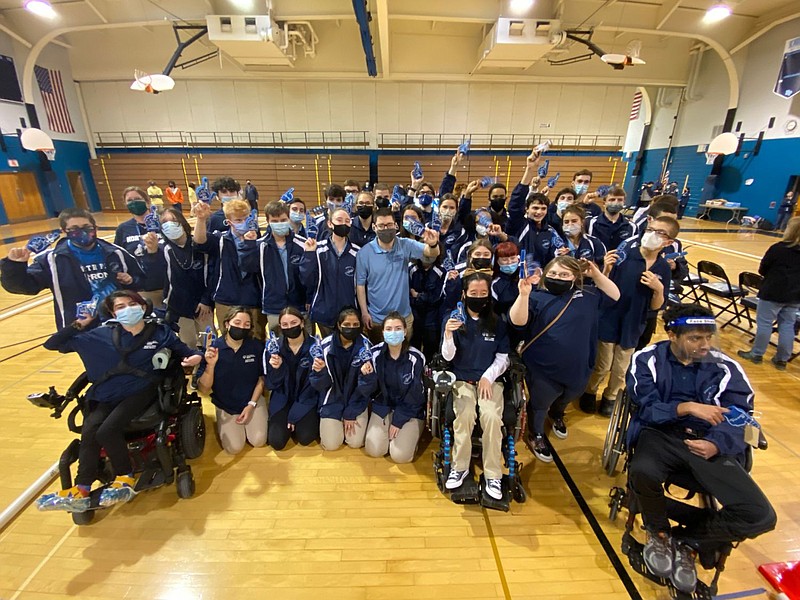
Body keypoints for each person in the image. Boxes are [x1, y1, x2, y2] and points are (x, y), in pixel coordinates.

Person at [626, 304, 776, 595]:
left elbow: (742, 415)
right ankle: (658, 531)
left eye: (708, 337)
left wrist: (716, 443)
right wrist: (686, 407)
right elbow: (645, 407)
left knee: (761, 515)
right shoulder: (647, 359)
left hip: (709, 442)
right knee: (642, 471)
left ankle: (689, 540)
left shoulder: (726, 368)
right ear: (672, 334)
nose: (705, 345)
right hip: (662, 435)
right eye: (695, 338)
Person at [36, 291, 202, 512]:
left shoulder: (160, 333)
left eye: (132, 304)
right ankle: (82, 487)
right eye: (120, 307)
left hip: (140, 390)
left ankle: (125, 477)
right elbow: (52, 344)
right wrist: (78, 324)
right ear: (113, 313)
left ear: (143, 307)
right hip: (104, 394)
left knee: (106, 431)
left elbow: (187, 352)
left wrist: (195, 357)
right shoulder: (99, 335)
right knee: (89, 431)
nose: (127, 309)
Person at [509, 256, 620, 462]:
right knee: (540, 404)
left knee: (570, 395)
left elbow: (615, 295)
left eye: (563, 274)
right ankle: (536, 434)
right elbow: (518, 322)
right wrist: (523, 296)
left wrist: (596, 273)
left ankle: (557, 413)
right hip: (543, 366)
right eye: (553, 273)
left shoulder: (588, 294)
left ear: (574, 277)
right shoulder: (536, 297)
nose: (557, 277)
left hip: (580, 365)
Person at [581, 216, 678, 416]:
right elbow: (604, 287)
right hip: (609, 317)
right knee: (602, 364)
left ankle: (610, 396)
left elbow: (657, 306)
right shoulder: (624, 256)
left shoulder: (662, 268)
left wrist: (658, 289)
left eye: (659, 232)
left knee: (621, 367)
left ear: (668, 242)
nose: (651, 234)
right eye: (650, 229)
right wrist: (606, 269)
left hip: (634, 323)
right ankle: (590, 391)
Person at [1, 208, 144, 330]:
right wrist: (14, 266)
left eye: (86, 227)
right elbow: (25, 286)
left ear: (95, 228)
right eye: (74, 229)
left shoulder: (116, 253)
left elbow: (142, 280)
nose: (82, 232)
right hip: (83, 328)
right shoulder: (52, 259)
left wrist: (131, 281)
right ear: (64, 231)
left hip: (121, 322)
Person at [442, 272, 510, 501]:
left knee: (491, 416)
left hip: (489, 382)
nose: (478, 297)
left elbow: (503, 358)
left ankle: (493, 474)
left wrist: (488, 377)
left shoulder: (497, 322)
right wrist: (448, 334)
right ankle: (459, 466)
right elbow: (447, 357)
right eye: (473, 293)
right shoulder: (453, 318)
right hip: (462, 379)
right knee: (465, 415)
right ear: (464, 294)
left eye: (483, 293)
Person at [356, 207, 440, 343]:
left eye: (389, 225)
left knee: (403, 356)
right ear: (374, 227)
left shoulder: (405, 245)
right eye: (381, 226)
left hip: (404, 318)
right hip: (377, 319)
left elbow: (431, 253)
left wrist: (433, 244)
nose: (386, 229)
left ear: (396, 225)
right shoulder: (364, 253)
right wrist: (364, 312)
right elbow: (360, 285)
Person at [197, 307, 267, 454]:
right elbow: (203, 389)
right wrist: (211, 365)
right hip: (226, 404)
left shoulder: (256, 347)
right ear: (227, 324)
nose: (241, 327)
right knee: (234, 448)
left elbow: (262, 378)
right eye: (237, 322)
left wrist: (251, 404)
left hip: (251, 400)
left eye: (246, 324)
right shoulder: (214, 349)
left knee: (259, 441)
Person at [358, 312, 426, 463]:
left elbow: (416, 395)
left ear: (405, 331)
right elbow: (366, 391)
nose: (393, 332)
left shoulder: (416, 358)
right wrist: (366, 377)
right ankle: (391, 433)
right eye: (389, 329)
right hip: (383, 406)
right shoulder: (374, 354)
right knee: (374, 450)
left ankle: (413, 433)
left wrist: (398, 420)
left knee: (400, 456)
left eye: (397, 328)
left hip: (409, 409)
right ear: (382, 332)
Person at [192, 199, 265, 339]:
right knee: (228, 340)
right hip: (226, 300)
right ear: (229, 222)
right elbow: (199, 241)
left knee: (257, 340)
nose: (243, 222)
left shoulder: (259, 242)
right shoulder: (220, 240)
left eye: (246, 218)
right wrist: (201, 219)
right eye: (238, 220)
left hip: (253, 300)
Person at [738, 217, 800, 370]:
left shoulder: (778, 248)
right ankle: (782, 359)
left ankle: (757, 353)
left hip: (773, 291)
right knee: (788, 325)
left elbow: (763, 269)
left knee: (765, 323)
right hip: (795, 295)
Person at [239, 201, 307, 335]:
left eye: (283, 220)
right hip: (274, 306)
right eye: (275, 221)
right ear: (268, 221)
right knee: (278, 345)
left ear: (289, 219)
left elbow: (310, 276)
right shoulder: (259, 246)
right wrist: (248, 245)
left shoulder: (302, 244)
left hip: (299, 304)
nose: (279, 223)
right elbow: (248, 267)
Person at [310, 307, 372, 451]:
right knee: (331, 445)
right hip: (332, 401)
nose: (351, 328)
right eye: (347, 325)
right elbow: (318, 385)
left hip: (356, 400)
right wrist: (320, 372)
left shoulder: (366, 347)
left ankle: (347, 419)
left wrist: (351, 411)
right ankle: (335, 421)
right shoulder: (323, 347)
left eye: (355, 325)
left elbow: (368, 387)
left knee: (355, 443)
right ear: (339, 325)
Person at [152, 207, 214, 348]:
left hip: (203, 306)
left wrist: (206, 300)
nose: (170, 224)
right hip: (179, 308)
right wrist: (151, 253)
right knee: (188, 344)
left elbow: (211, 275)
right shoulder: (163, 250)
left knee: (209, 342)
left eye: (173, 220)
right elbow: (153, 273)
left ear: (182, 222)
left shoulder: (199, 245)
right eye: (165, 222)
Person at [264, 307, 320, 449]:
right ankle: (287, 424)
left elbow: (315, 386)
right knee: (276, 442)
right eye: (285, 325)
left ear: (302, 323)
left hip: (306, 398)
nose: (290, 327)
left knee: (306, 438)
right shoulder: (273, 347)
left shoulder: (316, 347)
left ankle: (298, 423)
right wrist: (277, 369)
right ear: (280, 327)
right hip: (282, 399)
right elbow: (271, 384)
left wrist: (295, 414)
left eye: (294, 322)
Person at [300, 207, 360, 337]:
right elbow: (306, 279)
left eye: (347, 220)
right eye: (339, 220)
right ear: (330, 223)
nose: (343, 223)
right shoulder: (317, 249)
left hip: (348, 316)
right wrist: (309, 254)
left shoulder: (357, 252)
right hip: (324, 312)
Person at [113, 186, 166, 307]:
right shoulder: (124, 228)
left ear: (147, 201)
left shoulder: (163, 221)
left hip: (168, 283)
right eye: (129, 200)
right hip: (142, 288)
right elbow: (117, 255)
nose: (134, 202)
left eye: (137, 198)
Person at [409, 249, 446, 360]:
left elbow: (436, 298)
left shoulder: (441, 271)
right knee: (414, 344)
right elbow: (408, 294)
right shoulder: (411, 269)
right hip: (415, 314)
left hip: (432, 316)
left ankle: (428, 370)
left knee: (431, 346)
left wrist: (418, 296)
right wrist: (417, 298)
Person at [586, 186, 637, 252]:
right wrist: (584, 204)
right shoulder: (590, 223)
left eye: (620, 200)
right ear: (604, 203)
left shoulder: (632, 227)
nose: (616, 202)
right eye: (612, 200)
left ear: (624, 202)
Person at [561, 205, 609, 270]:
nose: (570, 224)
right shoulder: (558, 242)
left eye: (574, 221)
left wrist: (590, 266)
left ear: (582, 222)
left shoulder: (594, 242)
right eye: (566, 222)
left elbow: (603, 266)